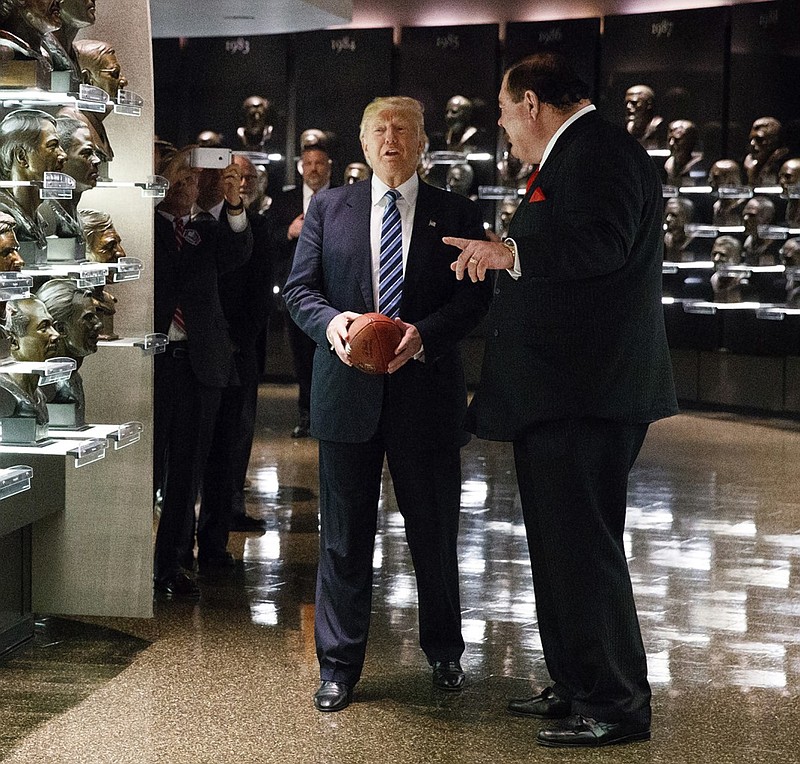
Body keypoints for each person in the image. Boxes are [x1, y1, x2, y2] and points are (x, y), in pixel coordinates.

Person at [446, 53, 677, 748]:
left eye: (504, 108)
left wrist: (508, 255)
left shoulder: (600, 151)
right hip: (563, 394)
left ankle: (616, 703)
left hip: (588, 394)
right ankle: (579, 682)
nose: (502, 124)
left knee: (584, 550)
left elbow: (601, 245)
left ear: (535, 103)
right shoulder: (578, 154)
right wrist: (511, 250)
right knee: (558, 548)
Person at [283, 95, 491, 713]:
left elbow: (476, 301)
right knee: (344, 538)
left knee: (433, 532)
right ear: (365, 142)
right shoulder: (330, 208)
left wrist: (424, 335)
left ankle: (446, 653)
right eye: (380, 129)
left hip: (426, 396)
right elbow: (299, 290)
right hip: (347, 396)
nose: (391, 138)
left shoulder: (457, 211)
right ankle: (339, 667)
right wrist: (333, 324)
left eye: (404, 128)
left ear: (423, 142)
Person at [152, 146, 252, 600]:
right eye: (175, 180)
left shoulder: (207, 230)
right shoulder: (145, 225)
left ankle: (171, 564)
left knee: (187, 473)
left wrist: (234, 205)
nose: (183, 188)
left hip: (199, 362)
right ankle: (131, 560)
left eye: (190, 180)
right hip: (152, 360)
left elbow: (236, 255)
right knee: (148, 470)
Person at [194, 160, 272, 541]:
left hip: (239, 348)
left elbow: (260, 293)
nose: (240, 183)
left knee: (235, 436)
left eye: (247, 179)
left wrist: (237, 340)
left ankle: (226, 513)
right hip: (193, 349)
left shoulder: (256, 225)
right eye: (230, 176)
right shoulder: (189, 223)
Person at [271, 143, 333, 437]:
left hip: (335, 294)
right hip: (295, 294)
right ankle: (306, 417)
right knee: (301, 359)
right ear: (300, 168)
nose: (313, 169)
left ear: (329, 167)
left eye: (319, 163)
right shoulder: (285, 202)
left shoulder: (341, 198)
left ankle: (328, 416)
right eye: (308, 163)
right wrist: (288, 231)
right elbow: (267, 241)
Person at [0, 109, 67, 262]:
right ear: (22, 157)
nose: (63, 155)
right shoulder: (6, 218)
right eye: (52, 146)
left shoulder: (35, 218)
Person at [36, 278, 103, 424]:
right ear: (60, 328)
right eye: (88, 318)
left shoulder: (72, 377)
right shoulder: (48, 387)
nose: (98, 324)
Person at [59, 39, 128, 162]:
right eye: (115, 73)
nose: (123, 81)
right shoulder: (73, 119)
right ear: (87, 78)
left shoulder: (92, 120)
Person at [744, 117, 789, 187]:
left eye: (759, 140)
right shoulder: (749, 162)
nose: (752, 143)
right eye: (751, 139)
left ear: (774, 142)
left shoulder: (786, 166)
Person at [624, 84, 667, 150]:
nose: (628, 107)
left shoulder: (659, 126)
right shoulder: (630, 127)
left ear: (648, 104)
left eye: (634, 103)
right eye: (627, 103)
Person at [663, 119, 704, 187]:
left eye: (677, 140)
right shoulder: (669, 163)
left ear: (690, 141)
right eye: (670, 138)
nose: (671, 143)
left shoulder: (697, 165)